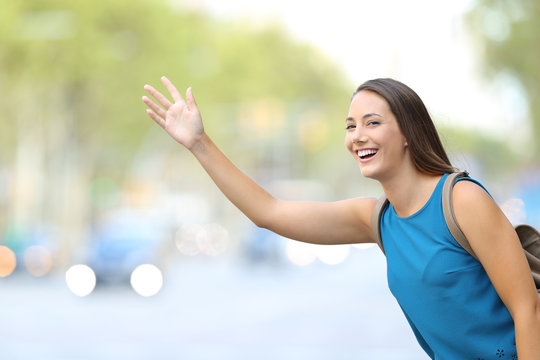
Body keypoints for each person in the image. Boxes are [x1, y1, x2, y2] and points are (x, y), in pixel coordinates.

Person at [142, 76, 540, 359]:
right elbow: (270, 211)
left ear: (407, 133)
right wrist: (199, 143)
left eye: (372, 123)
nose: (357, 136)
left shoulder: (462, 200)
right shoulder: (376, 219)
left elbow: (527, 309)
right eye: (351, 126)